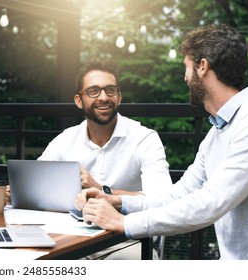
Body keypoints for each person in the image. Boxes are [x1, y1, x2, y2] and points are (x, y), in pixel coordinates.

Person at [76, 24, 248, 260]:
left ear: (202, 66)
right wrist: (118, 202)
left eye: (187, 67)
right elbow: (177, 195)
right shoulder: (217, 132)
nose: (185, 77)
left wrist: (125, 223)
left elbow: (211, 202)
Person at [38, 57, 172, 259]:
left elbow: (162, 199)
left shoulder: (145, 138)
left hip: (128, 241)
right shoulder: (65, 140)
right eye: (93, 91)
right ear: (78, 100)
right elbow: (36, 183)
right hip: (72, 239)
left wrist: (103, 190)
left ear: (119, 97)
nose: (103, 97)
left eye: (110, 90)